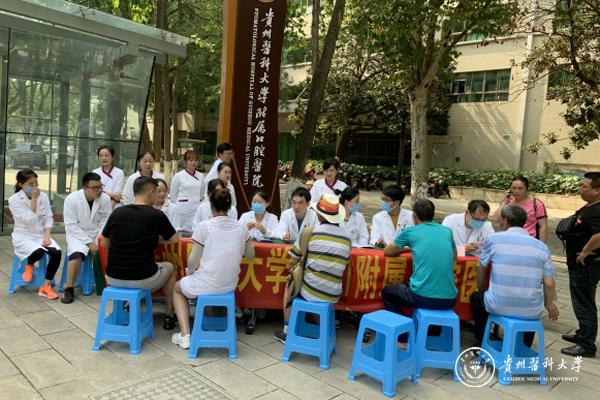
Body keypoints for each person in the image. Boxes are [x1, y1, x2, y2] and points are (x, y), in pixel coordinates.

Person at [171, 187, 255, 349]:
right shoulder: (242, 228)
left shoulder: (204, 227)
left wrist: (190, 273)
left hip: (206, 283)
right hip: (229, 285)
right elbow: (251, 255)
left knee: (177, 288)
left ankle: (185, 334)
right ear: (230, 207)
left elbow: (193, 261)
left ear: (211, 206)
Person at [470, 205, 559, 348]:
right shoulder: (541, 247)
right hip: (531, 309)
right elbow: (549, 283)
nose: (499, 223)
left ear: (505, 221)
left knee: (476, 298)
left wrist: (481, 289)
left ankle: (482, 342)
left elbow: (481, 267)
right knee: (530, 309)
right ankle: (523, 347)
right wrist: (549, 304)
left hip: (499, 305)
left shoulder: (494, 239)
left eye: (500, 220)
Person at [101, 176, 178, 330]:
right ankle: (169, 315)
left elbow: (104, 243)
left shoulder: (117, 212)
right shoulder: (156, 215)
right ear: (151, 192)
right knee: (171, 268)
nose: (159, 195)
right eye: (157, 192)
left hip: (113, 278)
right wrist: (155, 239)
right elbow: (174, 239)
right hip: (142, 278)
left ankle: (124, 308)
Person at [273, 193, 352, 343]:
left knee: (290, 283)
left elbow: (293, 260)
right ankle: (323, 330)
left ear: (320, 215)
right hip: (334, 293)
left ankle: (287, 331)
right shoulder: (347, 237)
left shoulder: (310, 232)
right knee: (320, 284)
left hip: (312, 291)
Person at [382, 199, 457, 312]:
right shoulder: (447, 231)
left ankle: (400, 323)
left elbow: (388, 251)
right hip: (450, 299)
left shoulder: (411, 231)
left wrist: (406, 249)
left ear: (414, 215)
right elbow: (454, 256)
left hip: (422, 297)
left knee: (387, 292)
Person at [561, 172, 600, 357]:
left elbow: (598, 235)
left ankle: (586, 345)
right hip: (580, 265)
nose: (580, 189)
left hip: (586, 265)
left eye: (585, 186)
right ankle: (582, 333)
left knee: (584, 303)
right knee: (583, 299)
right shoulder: (591, 206)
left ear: (597, 190)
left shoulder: (598, 210)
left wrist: (585, 251)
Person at [8, 169, 62, 299]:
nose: (35, 187)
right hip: (23, 236)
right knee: (39, 251)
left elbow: (48, 217)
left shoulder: (43, 196)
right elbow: (29, 219)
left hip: (40, 234)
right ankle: (30, 264)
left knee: (56, 252)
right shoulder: (14, 200)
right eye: (31, 184)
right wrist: (34, 199)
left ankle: (45, 287)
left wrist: (47, 236)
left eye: (36, 183)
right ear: (21, 184)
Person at [61, 172, 112, 304]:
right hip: (77, 235)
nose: (99, 190)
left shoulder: (105, 199)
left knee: (110, 251)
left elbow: (105, 222)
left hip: (97, 234)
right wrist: (89, 243)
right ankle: (69, 288)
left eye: (100, 187)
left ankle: (108, 284)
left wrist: (97, 241)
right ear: (85, 188)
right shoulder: (72, 199)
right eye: (95, 188)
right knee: (77, 255)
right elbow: (71, 225)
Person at [493, 176, 548, 242]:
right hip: (509, 240)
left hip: (529, 241)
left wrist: (541, 245)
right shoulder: (508, 202)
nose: (516, 191)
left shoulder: (537, 204)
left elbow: (543, 227)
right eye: (514, 188)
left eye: (520, 188)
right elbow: (497, 219)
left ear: (526, 189)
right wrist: (504, 202)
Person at [170, 150, 205, 232]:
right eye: (191, 160)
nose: (194, 162)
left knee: (195, 230)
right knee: (181, 231)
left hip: (196, 208)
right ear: (185, 161)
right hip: (182, 210)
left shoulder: (201, 176)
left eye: (196, 160)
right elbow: (173, 195)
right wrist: (178, 206)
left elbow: (201, 192)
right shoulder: (178, 176)